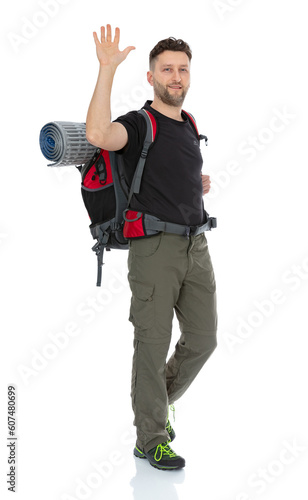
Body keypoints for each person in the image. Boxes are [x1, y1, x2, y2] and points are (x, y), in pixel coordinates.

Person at [86, 24, 218, 471]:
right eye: (167, 69)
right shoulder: (139, 123)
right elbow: (100, 136)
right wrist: (106, 70)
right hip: (154, 251)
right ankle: (151, 437)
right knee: (152, 343)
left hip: (196, 247)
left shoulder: (189, 123)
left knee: (204, 338)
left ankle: (154, 403)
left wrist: (194, 185)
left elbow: (167, 172)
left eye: (182, 69)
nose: (176, 76)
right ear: (151, 77)